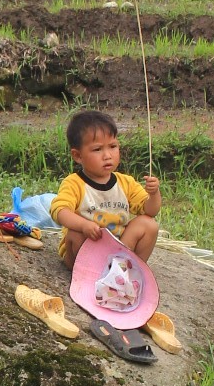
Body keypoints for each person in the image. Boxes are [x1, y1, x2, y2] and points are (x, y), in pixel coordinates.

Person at [50, 110, 162, 273]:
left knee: (149, 225)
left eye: (112, 146)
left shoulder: (126, 183)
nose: (107, 155)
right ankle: (89, 273)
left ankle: (128, 270)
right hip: (85, 250)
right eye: (97, 149)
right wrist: (84, 225)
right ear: (78, 155)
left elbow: (151, 211)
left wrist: (154, 194)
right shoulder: (74, 183)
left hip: (118, 249)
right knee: (75, 233)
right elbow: (59, 211)